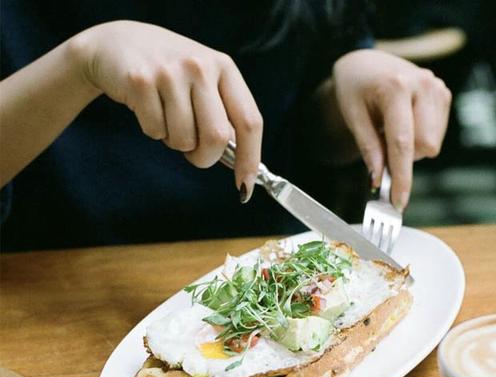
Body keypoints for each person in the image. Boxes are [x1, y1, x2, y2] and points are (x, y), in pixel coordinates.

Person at [0, 1, 451, 251]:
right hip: (49, 280)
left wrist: (344, 85)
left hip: (267, 263)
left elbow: (297, 131)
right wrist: (81, 64)